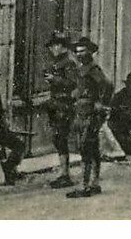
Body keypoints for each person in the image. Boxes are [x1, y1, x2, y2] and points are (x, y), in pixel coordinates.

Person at [66, 36, 113, 198]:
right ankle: (94, 183)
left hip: (91, 114)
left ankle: (85, 185)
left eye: (82, 51)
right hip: (81, 112)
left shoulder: (93, 70)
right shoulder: (82, 69)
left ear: (89, 52)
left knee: (86, 148)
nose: (79, 54)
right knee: (90, 148)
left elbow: (107, 86)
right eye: (77, 52)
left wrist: (101, 103)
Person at [44, 31, 78, 188]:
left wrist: (54, 79)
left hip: (64, 106)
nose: (51, 50)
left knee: (61, 138)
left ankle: (65, 174)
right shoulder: (59, 61)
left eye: (52, 46)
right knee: (58, 139)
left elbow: (72, 83)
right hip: (56, 105)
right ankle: (64, 173)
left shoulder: (69, 62)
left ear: (59, 46)